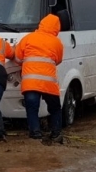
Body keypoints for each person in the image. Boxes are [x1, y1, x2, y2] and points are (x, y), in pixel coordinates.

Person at [14, 14, 64, 143]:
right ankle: (56, 134)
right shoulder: (57, 42)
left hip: (31, 82)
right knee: (55, 108)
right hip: (49, 84)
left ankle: (35, 135)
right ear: (57, 28)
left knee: (32, 109)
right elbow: (58, 60)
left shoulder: (28, 38)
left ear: (41, 24)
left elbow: (18, 59)